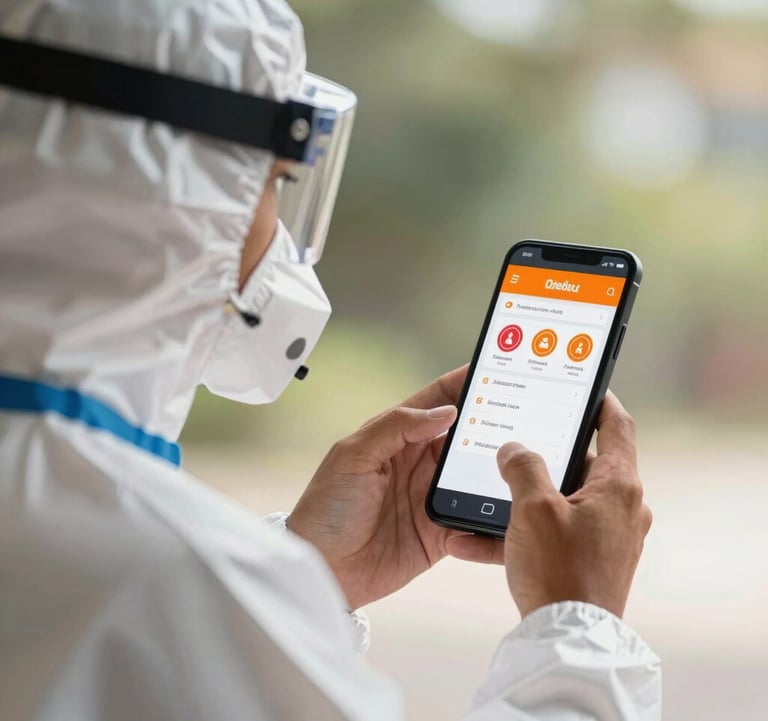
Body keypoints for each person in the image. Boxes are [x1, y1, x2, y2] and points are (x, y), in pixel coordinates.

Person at [0, 1, 660, 719]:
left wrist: (296, 579)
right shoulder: (156, 591)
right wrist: (581, 629)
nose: (276, 231)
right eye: (275, 181)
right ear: (172, 186)